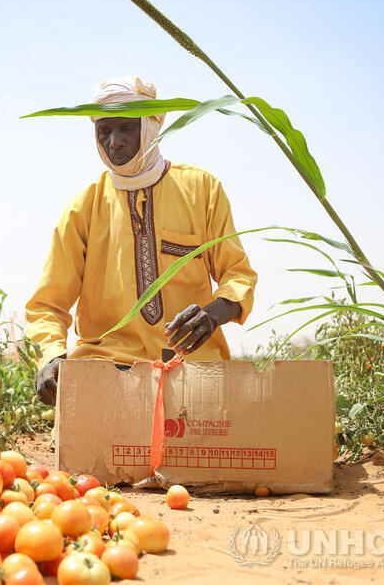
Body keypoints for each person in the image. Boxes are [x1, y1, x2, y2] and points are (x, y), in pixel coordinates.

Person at [26, 76, 258, 405]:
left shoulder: (202, 189)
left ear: (151, 126)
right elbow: (47, 304)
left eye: (126, 128)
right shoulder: (83, 207)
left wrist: (212, 315)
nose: (114, 142)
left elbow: (238, 275)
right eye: (104, 131)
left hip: (192, 368)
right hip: (107, 372)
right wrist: (50, 356)